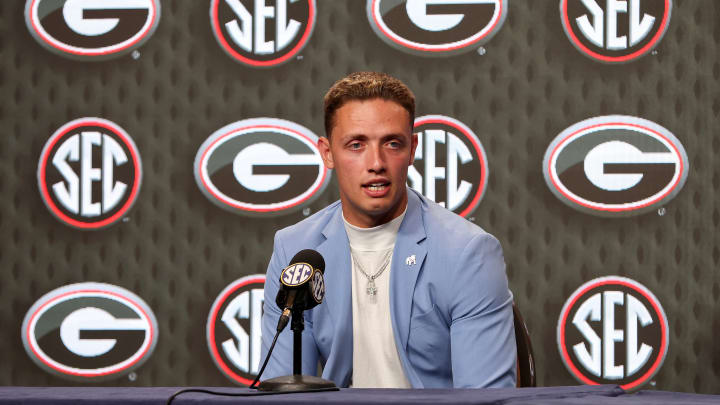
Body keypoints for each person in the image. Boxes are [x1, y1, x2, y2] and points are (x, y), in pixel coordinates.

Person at [259, 72, 516, 388]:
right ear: (327, 153)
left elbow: (483, 400)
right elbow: (281, 390)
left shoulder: (468, 253)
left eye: (392, 143)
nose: (376, 162)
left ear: (412, 150)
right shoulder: (295, 249)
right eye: (356, 145)